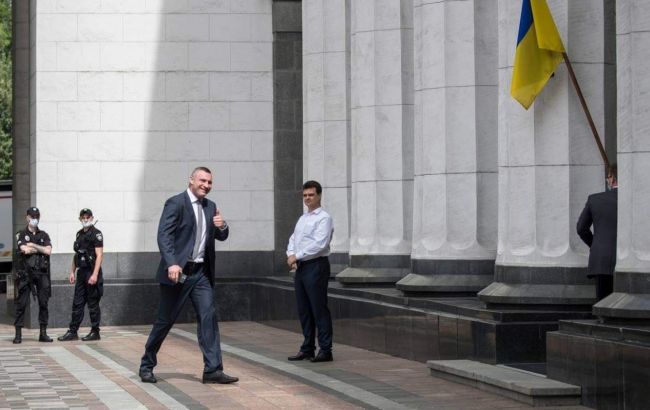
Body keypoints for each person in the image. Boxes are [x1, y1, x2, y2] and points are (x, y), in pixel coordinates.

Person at [139, 166, 237, 385]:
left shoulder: (211, 207)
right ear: (191, 180)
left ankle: (213, 369)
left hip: (201, 274)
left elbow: (221, 235)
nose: (206, 185)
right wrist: (172, 263)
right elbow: (164, 235)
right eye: (202, 180)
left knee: (208, 317)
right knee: (165, 321)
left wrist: (222, 225)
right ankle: (146, 365)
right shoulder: (176, 203)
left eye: (209, 182)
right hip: (178, 273)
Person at [286, 180, 334, 363]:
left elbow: (320, 244)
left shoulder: (324, 218)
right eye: (305, 195)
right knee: (304, 309)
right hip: (302, 267)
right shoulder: (303, 218)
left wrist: (296, 255)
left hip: (316, 266)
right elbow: (293, 238)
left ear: (319, 195)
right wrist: (291, 254)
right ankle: (307, 348)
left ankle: (326, 349)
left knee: (318, 308)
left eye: (311, 195)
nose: (307, 198)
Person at [58, 208, 105, 342]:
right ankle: (73, 331)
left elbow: (99, 255)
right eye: (83, 217)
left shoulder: (96, 234)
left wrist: (95, 275)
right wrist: (72, 271)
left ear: (92, 218)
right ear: (80, 219)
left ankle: (95, 332)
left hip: (91, 271)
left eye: (88, 217)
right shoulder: (79, 234)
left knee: (93, 303)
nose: (85, 220)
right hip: (81, 272)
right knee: (77, 303)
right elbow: (77, 254)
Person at [577, 164, 618, 301]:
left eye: (608, 177)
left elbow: (581, 228)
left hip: (602, 260)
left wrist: (596, 245)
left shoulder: (595, 200)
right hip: (634, 264)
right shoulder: (638, 200)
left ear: (612, 179)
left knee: (603, 304)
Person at [13, 207, 53, 344]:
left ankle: (43, 333)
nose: (34, 219)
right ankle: (18, 334)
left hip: (41, 273)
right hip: (26, 273)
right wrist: (39, 248)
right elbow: (24, 249)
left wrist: (34, 246)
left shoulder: (44, 235)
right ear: (27, 217)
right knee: (21, 304)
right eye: (32, 216)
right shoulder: (21, 234)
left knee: (43, 303)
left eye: (36, 216)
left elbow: (48, 251)